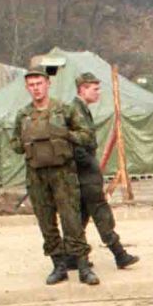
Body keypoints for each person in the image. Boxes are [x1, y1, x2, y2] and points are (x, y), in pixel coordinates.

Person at [13, 68, 95, 284]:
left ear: (48, 84)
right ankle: (58, 266)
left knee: (72, 220)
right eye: (31, 85)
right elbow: (14, 144)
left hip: (63, 173)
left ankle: (83, 266)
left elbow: (86, 135)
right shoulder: (23, 115)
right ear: (27, 88)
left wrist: (66, 135)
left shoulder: (64, 110)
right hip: (37, 175)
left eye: (39, 83)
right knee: (46, 222)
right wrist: (24, 143)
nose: (36, 88)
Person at [68, 72, 139, 276]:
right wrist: (90, 164)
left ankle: (71, 256)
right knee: (101, 212)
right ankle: (119, 254)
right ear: (82, 89)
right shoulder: (76, 110)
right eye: (94, 88)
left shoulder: (80, 109)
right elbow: (75, 143)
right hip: (85, 172)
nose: (98, 92)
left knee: (81, 215)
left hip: (82, 171)